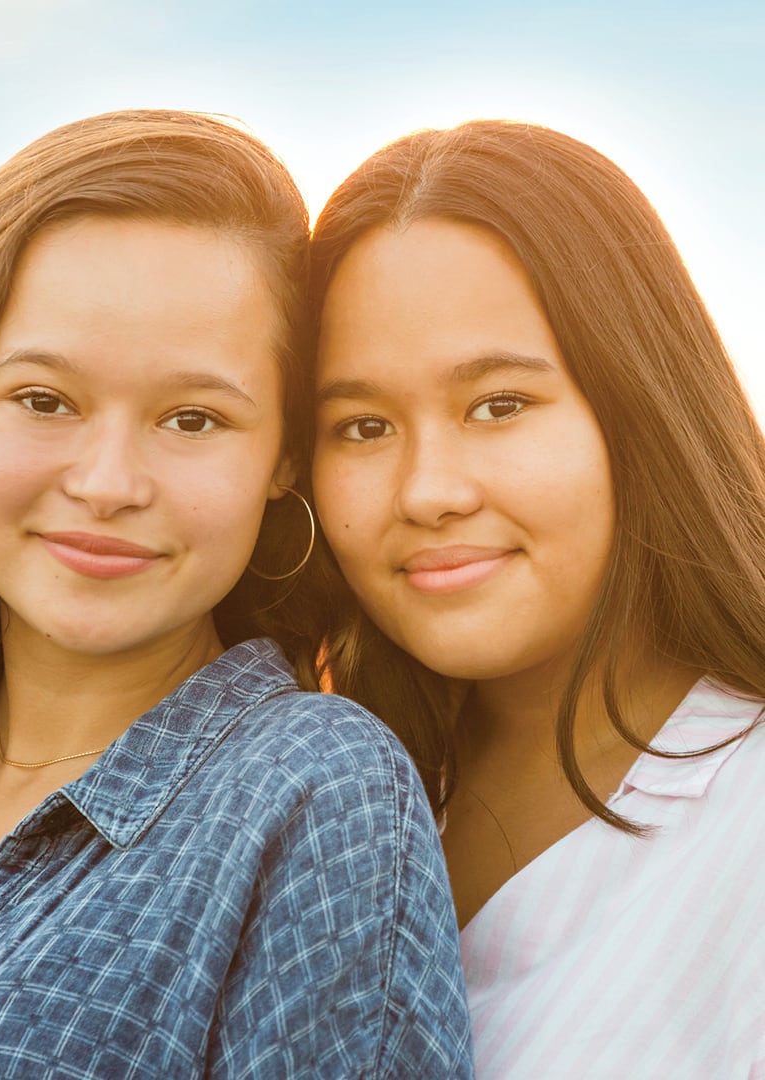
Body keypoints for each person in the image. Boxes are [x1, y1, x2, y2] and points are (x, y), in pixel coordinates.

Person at [0, 110, 474, 1079]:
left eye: (192, 418)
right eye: (44, 400)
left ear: (281, 457)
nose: (108, 482)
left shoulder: (311, 793)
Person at [304, 119, 765, 1077]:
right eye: (362, 425)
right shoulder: (316, 806)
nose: (429, 490)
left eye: (498, 405)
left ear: (636, 404)